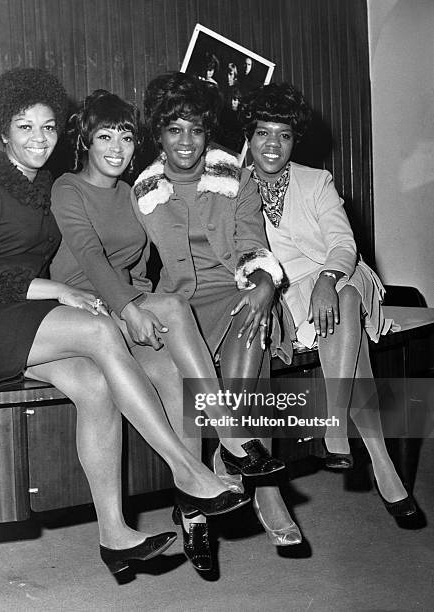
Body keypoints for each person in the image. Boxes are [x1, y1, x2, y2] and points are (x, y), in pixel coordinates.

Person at [0, 67, 249, 577]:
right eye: (25, 126)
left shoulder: (48, 187)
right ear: (3, 131)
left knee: (95, 383)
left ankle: (114, 535)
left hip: (18, 316)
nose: (39, 138)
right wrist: (58, 290)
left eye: (48, 126)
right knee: (98, 331)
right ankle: (188, 470)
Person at [50, 89, 285, 572]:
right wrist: (134, 307)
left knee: (177, 382)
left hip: (129, 303)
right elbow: (92, 259)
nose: (116, 148)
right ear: (85, 142)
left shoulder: (132, 191)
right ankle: (233, 436)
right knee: (176, 308)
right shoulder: (68, 187)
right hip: (88, 302)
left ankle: (192, 505)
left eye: (125, 137)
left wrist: (138, 304)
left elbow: (140, 263)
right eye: (104, 137)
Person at [132, 71, 303, 551]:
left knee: (253, 320)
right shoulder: (140, 194)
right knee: (184, 377)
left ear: (209, 132)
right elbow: (133, 268)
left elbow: (253, 243)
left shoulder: (240, 180)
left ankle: (241, 468)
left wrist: (267, 284)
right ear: (159, 134)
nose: (186, 141)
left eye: (196, 129)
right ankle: (202, 495)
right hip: (179, 305)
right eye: (174, 129)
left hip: (235, 290)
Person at [241, 82, 417, 518]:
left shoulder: (316, 181)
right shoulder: (232, 187)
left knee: (346, 292)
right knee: (351, 348)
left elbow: (343, 243)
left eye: (283, 134)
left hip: (340, 271)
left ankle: (335, 423)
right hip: (289, 293)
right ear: (249, 136)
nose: (273, 144)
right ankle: (380, 463)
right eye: (263, 132)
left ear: (294, 139)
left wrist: (328, 279)